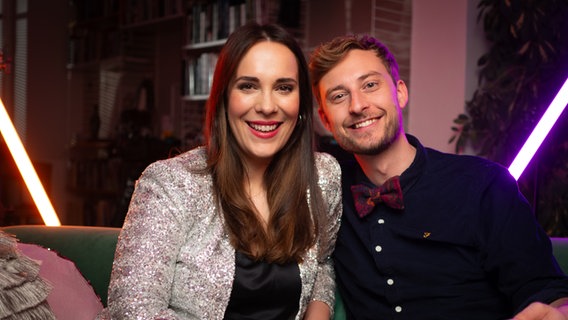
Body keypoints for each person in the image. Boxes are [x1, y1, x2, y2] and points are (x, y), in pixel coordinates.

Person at [309, 34, 568, 319]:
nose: (357, 105)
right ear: (324, 118)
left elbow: (549, 295)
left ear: (401, 93)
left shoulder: (482, 185)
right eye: (339, 96)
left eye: (370, 85)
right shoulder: (327, 194)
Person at [98, 22, 342, 320]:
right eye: (248, 86)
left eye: (283, 87)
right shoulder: (171, 183)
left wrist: (318, 314)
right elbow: (133, 310)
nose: (267, 106)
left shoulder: (322, 176)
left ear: (301, 102)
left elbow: (323, 262)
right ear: (224, 97)